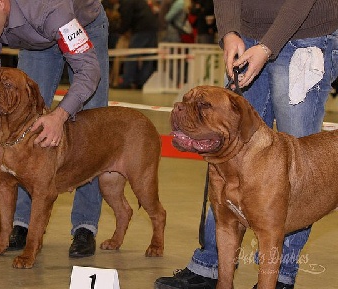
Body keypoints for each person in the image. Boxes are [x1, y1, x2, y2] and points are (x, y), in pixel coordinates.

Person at [155, 0, 338, 288]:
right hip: (247, 35)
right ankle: (211, 269)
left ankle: (281, 276)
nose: (181, 111)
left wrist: (268, 46)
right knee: (227, 155)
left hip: (305, 37)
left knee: (300, 170)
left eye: (200, 105)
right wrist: (228, 31)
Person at [0, 0, 109, 258]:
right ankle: (22, 225)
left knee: (90, 130)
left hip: (82, 25)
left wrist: (60, 115)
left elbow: (89, 71)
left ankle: (84, 227)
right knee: (22, 121)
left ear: (0, 4)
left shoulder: (51, 10)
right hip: (33, 40)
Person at [111, 0, 158, 89]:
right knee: (148, 57)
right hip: (151, 27)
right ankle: (142, 82)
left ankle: (127, 81)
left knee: (132, 55)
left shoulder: (126, 2)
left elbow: (127, 18)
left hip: (141, 29)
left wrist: (120, 31)